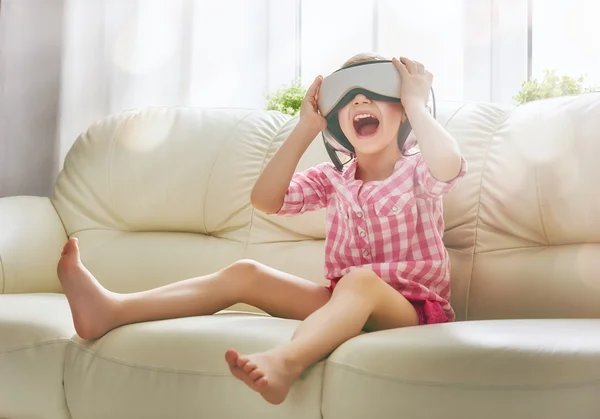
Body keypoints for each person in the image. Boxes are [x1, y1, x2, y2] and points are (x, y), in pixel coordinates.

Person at [56, 53, 466, 405]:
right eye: (349, 97)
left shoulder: (418, 170)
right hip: (342, 302)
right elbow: (266, 199)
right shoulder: (333, 177)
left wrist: (416, 101)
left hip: (411, 313)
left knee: (359, 281)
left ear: (404, 113)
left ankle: (286, 362)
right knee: (246, 273)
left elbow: (449, 163)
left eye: (377, 94)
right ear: (337, 122)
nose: (361, 99)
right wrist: (305, 127)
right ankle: (111, 310)